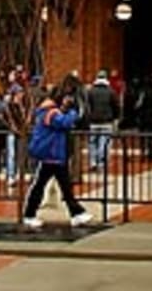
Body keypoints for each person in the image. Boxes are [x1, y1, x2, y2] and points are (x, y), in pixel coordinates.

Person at [22, 91, 93, 228]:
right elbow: (65, 123)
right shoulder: (51, 113)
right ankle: (29, 214)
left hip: (54, 156)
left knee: (63, 187)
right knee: (42, 186)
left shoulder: (45, 113)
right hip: (52, 156)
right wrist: (72, 111)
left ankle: (76, 213)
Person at [85, 69, 119, 171]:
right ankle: (101, 162)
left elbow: (87, 106)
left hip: (93, 121)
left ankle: (92, 162)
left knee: (92, 142)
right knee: (104, 142)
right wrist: (116, 117)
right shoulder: (111, 91)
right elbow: (116, 106)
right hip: (107, 121)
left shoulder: (90, 91)